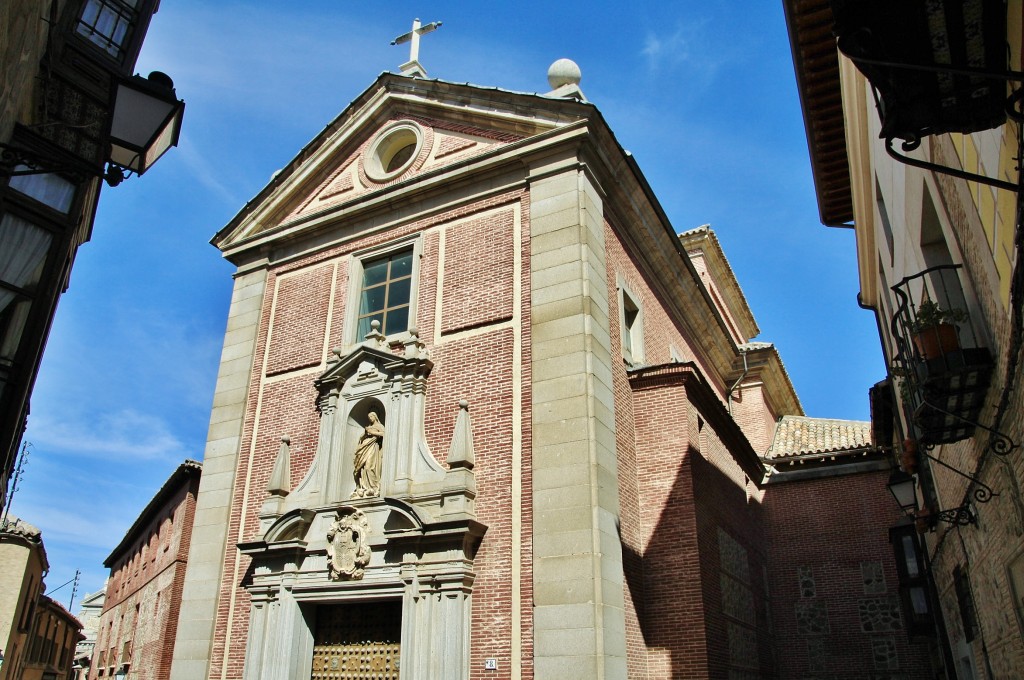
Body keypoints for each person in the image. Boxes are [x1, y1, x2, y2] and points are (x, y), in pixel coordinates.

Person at [351, 411, 385, 497]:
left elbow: (383, 434)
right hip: (365, 447)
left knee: (370, 466)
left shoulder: (379, 426)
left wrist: (372, 432)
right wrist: (365, 433)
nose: (370, 418)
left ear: (375, 417)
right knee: (364, 467)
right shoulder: (369, 427)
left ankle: (374, 487)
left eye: (371, 416)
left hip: (373, 447)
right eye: (369, 417)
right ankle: (365, 487)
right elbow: (361, 438)